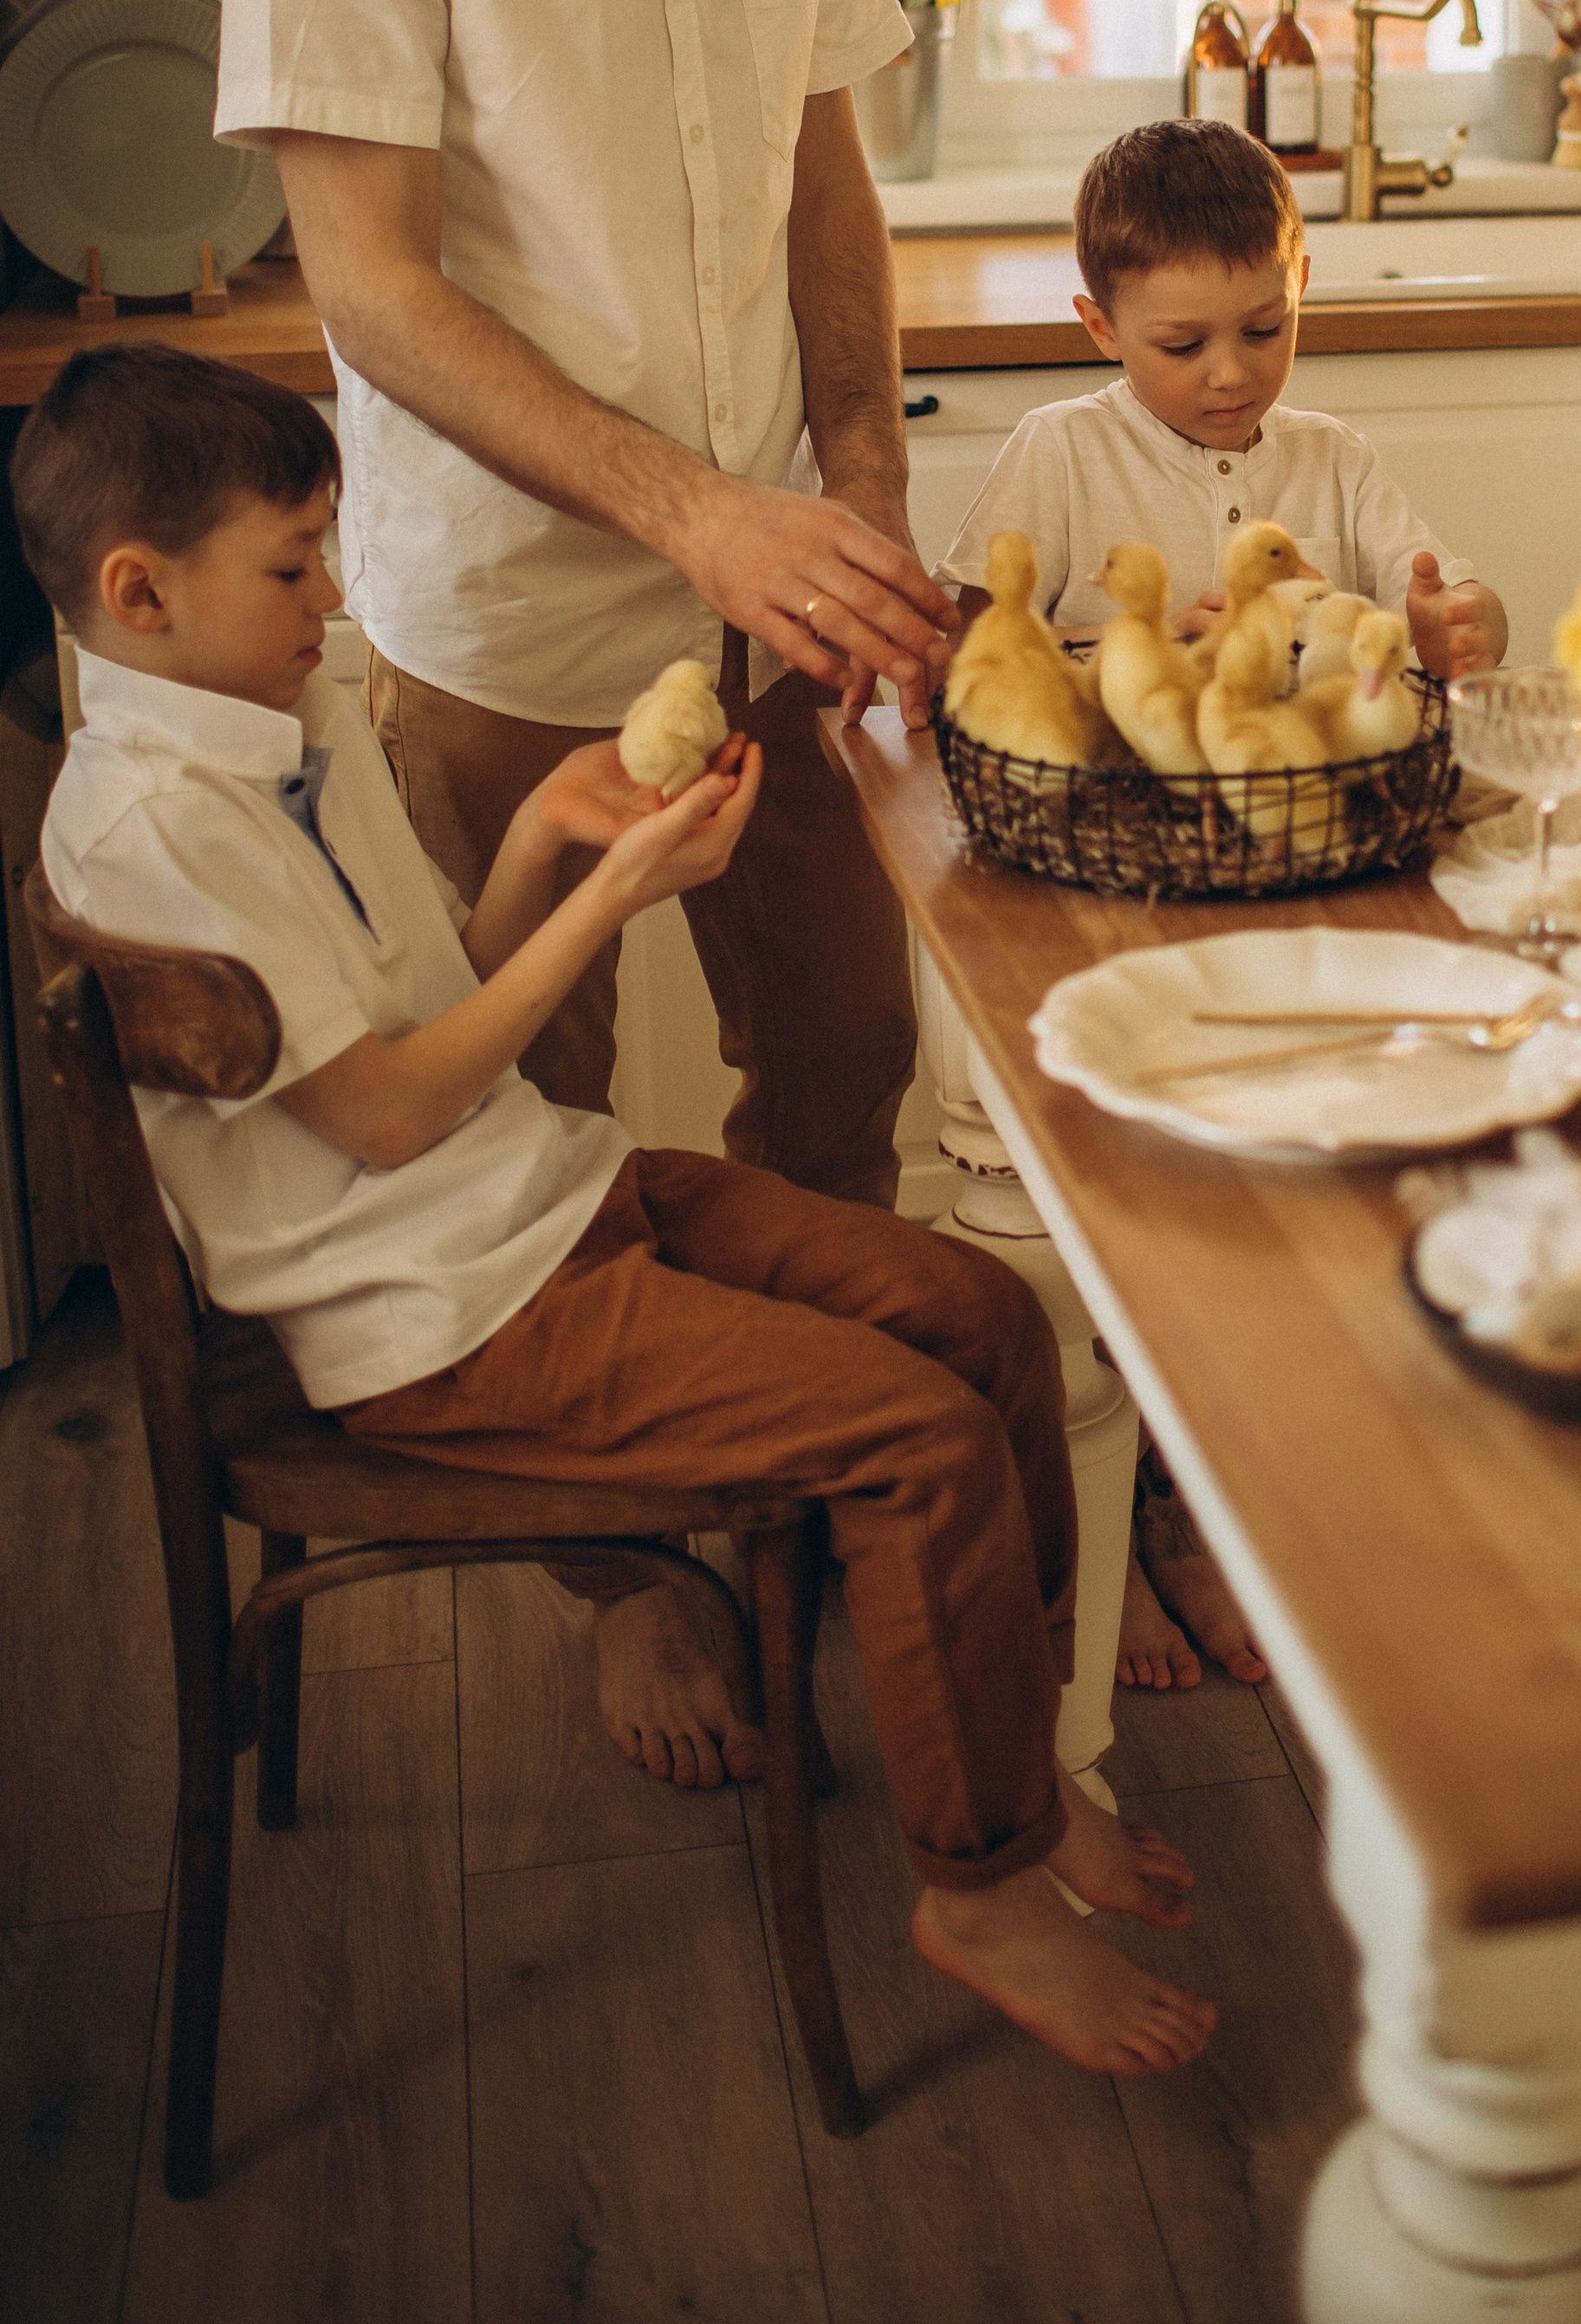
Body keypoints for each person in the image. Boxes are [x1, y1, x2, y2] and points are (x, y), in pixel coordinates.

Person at [19, 347, 1216, 2080]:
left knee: (982, 1319)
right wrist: (622, 903)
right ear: (140, 591)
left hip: (542, 1199)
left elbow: (446, 991)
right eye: (290, 565)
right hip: (435, 1320)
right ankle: (981, 1887)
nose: (328, 597)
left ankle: (1019, 1772)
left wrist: (558, 848)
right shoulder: (144, 822)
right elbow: (386, 1110)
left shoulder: (296, 719)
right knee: (919, 1440)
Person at [214, 0, 949, 1777]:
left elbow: (824, 173)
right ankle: (628, 1575)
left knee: (841, 1069)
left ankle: (830, 1489)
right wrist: (693, 513)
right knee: (524, 1151)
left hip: (778, 610)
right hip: (504, 625)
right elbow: (372, 289)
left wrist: (850, 481)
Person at [937, 119, 1509, 1692]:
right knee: (1115, 1212)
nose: (1231, 375)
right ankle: (1094, 1546)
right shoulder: (1058, 454)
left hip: (1299, 895)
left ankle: (1201, 1517)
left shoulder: (1333, 465)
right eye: (1181, 344)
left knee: (1257, 1222)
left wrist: (1460, 621)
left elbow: (1435, 605)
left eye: (1268, 327)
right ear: (1097, 328)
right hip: (1095, 911)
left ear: (1302, 285)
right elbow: (966, 654)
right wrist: (1135, 661)